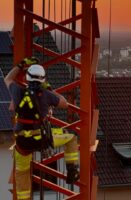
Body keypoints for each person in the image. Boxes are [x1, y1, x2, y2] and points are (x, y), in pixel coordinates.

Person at [4, 57, 79, 200]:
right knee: (71, 138)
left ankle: (23, 198)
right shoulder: (46, 94)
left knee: (22, 173)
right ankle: (72, 171)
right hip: (42, 139)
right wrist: (49, 89)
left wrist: (21, 65)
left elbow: (7, 79)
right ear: (43, 79)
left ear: (27, 78)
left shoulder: (17, 91)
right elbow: (64, 103)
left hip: (22, 142)